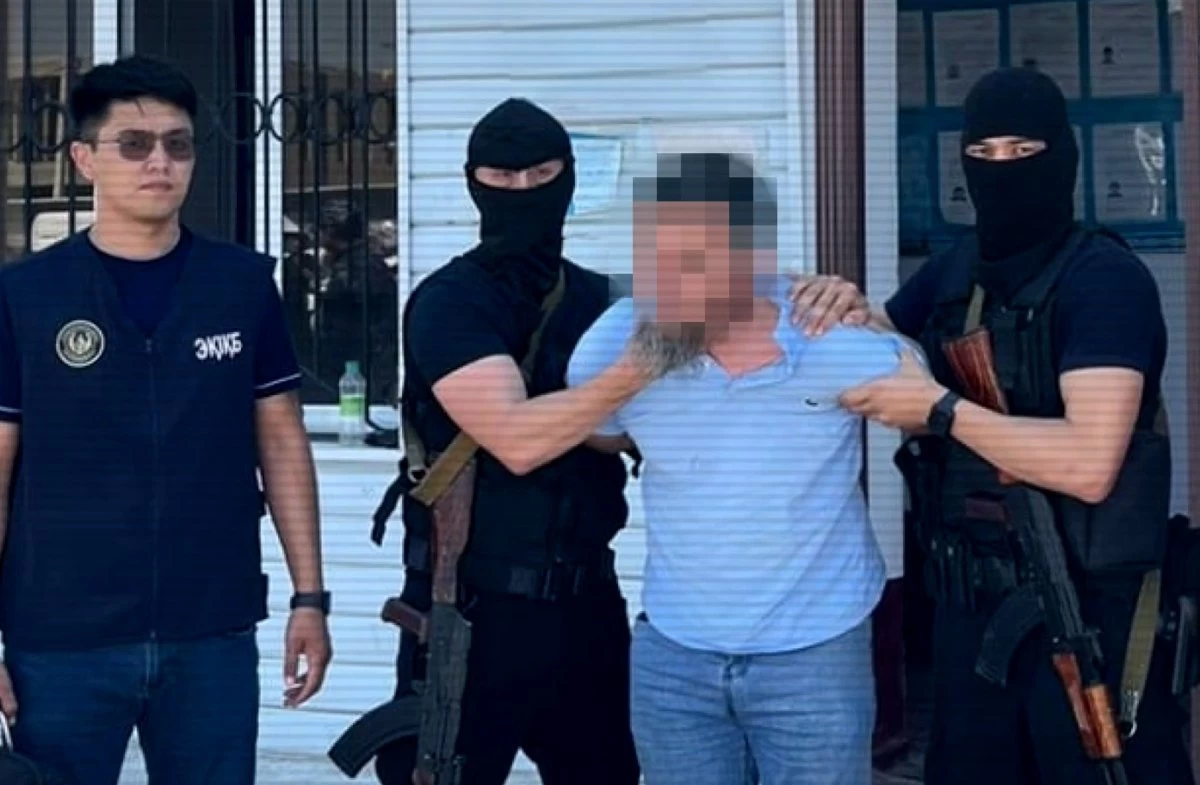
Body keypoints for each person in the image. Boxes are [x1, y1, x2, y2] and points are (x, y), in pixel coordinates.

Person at [790, 67, 1195, 785]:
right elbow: (884, 352)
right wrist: (839, 307)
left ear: (1062, 155)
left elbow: (1089, 463)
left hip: (1087, 610)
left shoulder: (1104, 280)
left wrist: (942, 410)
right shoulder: (955, 273)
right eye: (983, 154)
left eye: (1022, 151)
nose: (1002, 170)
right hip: (970, 613)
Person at [0, 55, 332, 785]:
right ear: (84, 158)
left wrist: (310, 597)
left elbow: (281, 441)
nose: (160, 162)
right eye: (135, 144)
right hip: (61, 637)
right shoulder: (25, 297)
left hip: (209, 629)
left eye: (177, 144)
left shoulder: (241, 285)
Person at [565, 150, 917, 785]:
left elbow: (923, 404)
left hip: (816, 655)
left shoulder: (828, 336)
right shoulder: (613, 343)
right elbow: (600, 432)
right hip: (675, 657)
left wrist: (876, 317)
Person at [367, 97, 647, 785]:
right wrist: (640, 369)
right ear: (474, 182)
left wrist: (808, 295)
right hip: (469, 611)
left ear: (569, 177)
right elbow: (516, 440)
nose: (523, 190)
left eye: (541, 174)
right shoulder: (450, 302)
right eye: (502, 176)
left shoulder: (603, 301)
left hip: (587, 606)